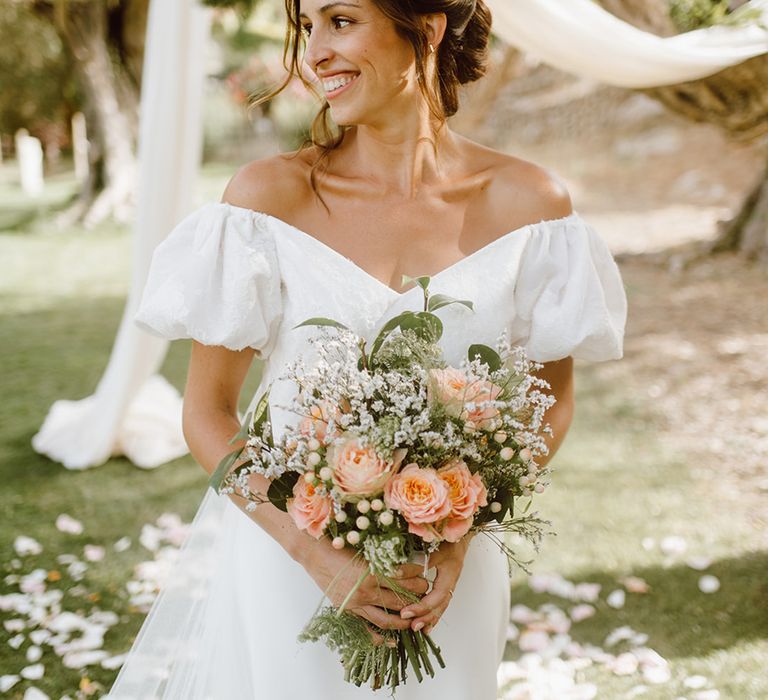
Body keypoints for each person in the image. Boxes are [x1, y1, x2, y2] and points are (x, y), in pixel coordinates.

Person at [108, 0, 627, 697]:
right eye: (307, 27)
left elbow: (552, 405)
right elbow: (207, 414)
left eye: (341, 20)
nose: (315, 51)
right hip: (290, 568)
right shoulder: (268, 200)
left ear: (430, 28)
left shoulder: (532, 206)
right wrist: (312, 553)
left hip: (446, 582)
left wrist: (461, 534)